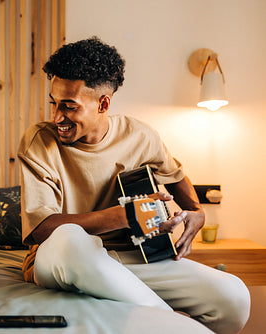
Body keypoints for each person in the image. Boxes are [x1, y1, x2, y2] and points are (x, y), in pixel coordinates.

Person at [17, 37, 250, 334]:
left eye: (69, 107)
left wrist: (196, 211)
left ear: (103, 103)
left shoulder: (140, 136)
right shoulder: (40, 142)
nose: (56, 117)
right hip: (60, 259)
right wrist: (125, 216)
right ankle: (174, 326)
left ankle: (157, 318)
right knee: (70, 238)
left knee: (233, 296)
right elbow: (41, 230)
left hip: (133, 257)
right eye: (53, 103)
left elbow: (176, 175)